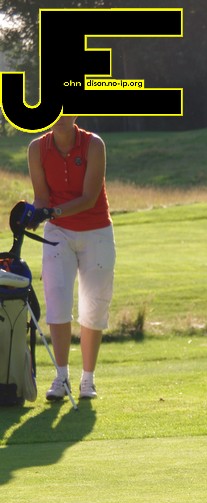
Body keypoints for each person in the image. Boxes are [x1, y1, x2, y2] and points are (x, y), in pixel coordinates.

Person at [27, 114, 115, 400]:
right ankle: (61, 376)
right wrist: (32, 214)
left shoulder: (93, 145)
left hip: (96, 231)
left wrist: (51, 212)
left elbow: (89, 198)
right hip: (58, 232)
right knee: (57, 299)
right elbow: (42, 197)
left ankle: (88, 379)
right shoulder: (37, 149)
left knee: (94, 304)